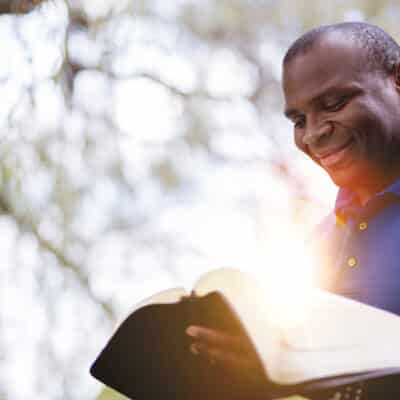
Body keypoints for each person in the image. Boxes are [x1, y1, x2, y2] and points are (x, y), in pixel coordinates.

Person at [186, 22, 400, 397]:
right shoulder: (316, 249)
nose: (314, 133)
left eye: (333, 104)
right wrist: (263, 378)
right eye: (298, 120)